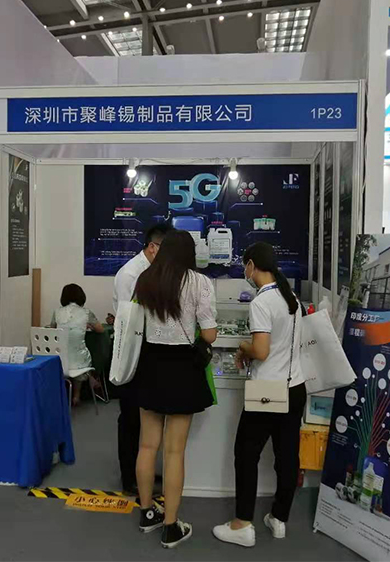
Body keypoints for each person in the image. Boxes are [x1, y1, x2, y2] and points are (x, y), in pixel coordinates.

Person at [213, 242, 306, 548]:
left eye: (245, 266)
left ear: (251, 265)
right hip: (295, 388)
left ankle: (242, 524)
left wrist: (243, 347)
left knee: (246, 454)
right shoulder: (292, 298)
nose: (245, 271)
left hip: (267, 391)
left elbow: (262, 351)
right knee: (287, 456)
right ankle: (279, 518)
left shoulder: (262, 302)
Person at [133, 230, 217, 548]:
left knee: (147, 446)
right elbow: (209, 335)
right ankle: (170, 526)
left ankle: (147, 514)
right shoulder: (198, 282)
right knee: (174, 451)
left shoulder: (146, 279)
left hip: (151, 364)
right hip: (182, 368)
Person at [112, 223, 171, 493]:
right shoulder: (130, 274)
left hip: (146, 350)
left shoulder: (151, 271)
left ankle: (142, 470)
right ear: (152, 247)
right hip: (129, 350)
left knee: (145, 416)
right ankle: (129, 477)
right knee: (130, 418)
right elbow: (130, 319)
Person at [51, 284, 104, 406]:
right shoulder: (86, 313)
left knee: (71, 353)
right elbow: (100, 330)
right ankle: (77, 395)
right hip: (79, 361)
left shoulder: (57, 312)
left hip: (59, 360)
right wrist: (88, 326)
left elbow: (52, 329)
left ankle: (62, 394)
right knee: (81, 353)